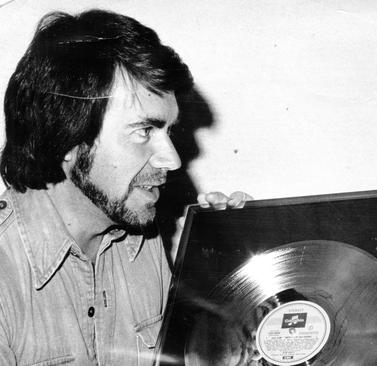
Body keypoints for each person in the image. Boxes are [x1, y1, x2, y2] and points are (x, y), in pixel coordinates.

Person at [0, 9, 248, 365]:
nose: (172, 160)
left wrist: (230, 274)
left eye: (169, 131)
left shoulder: (142, 237)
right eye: (144, 131)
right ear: (67, 139)